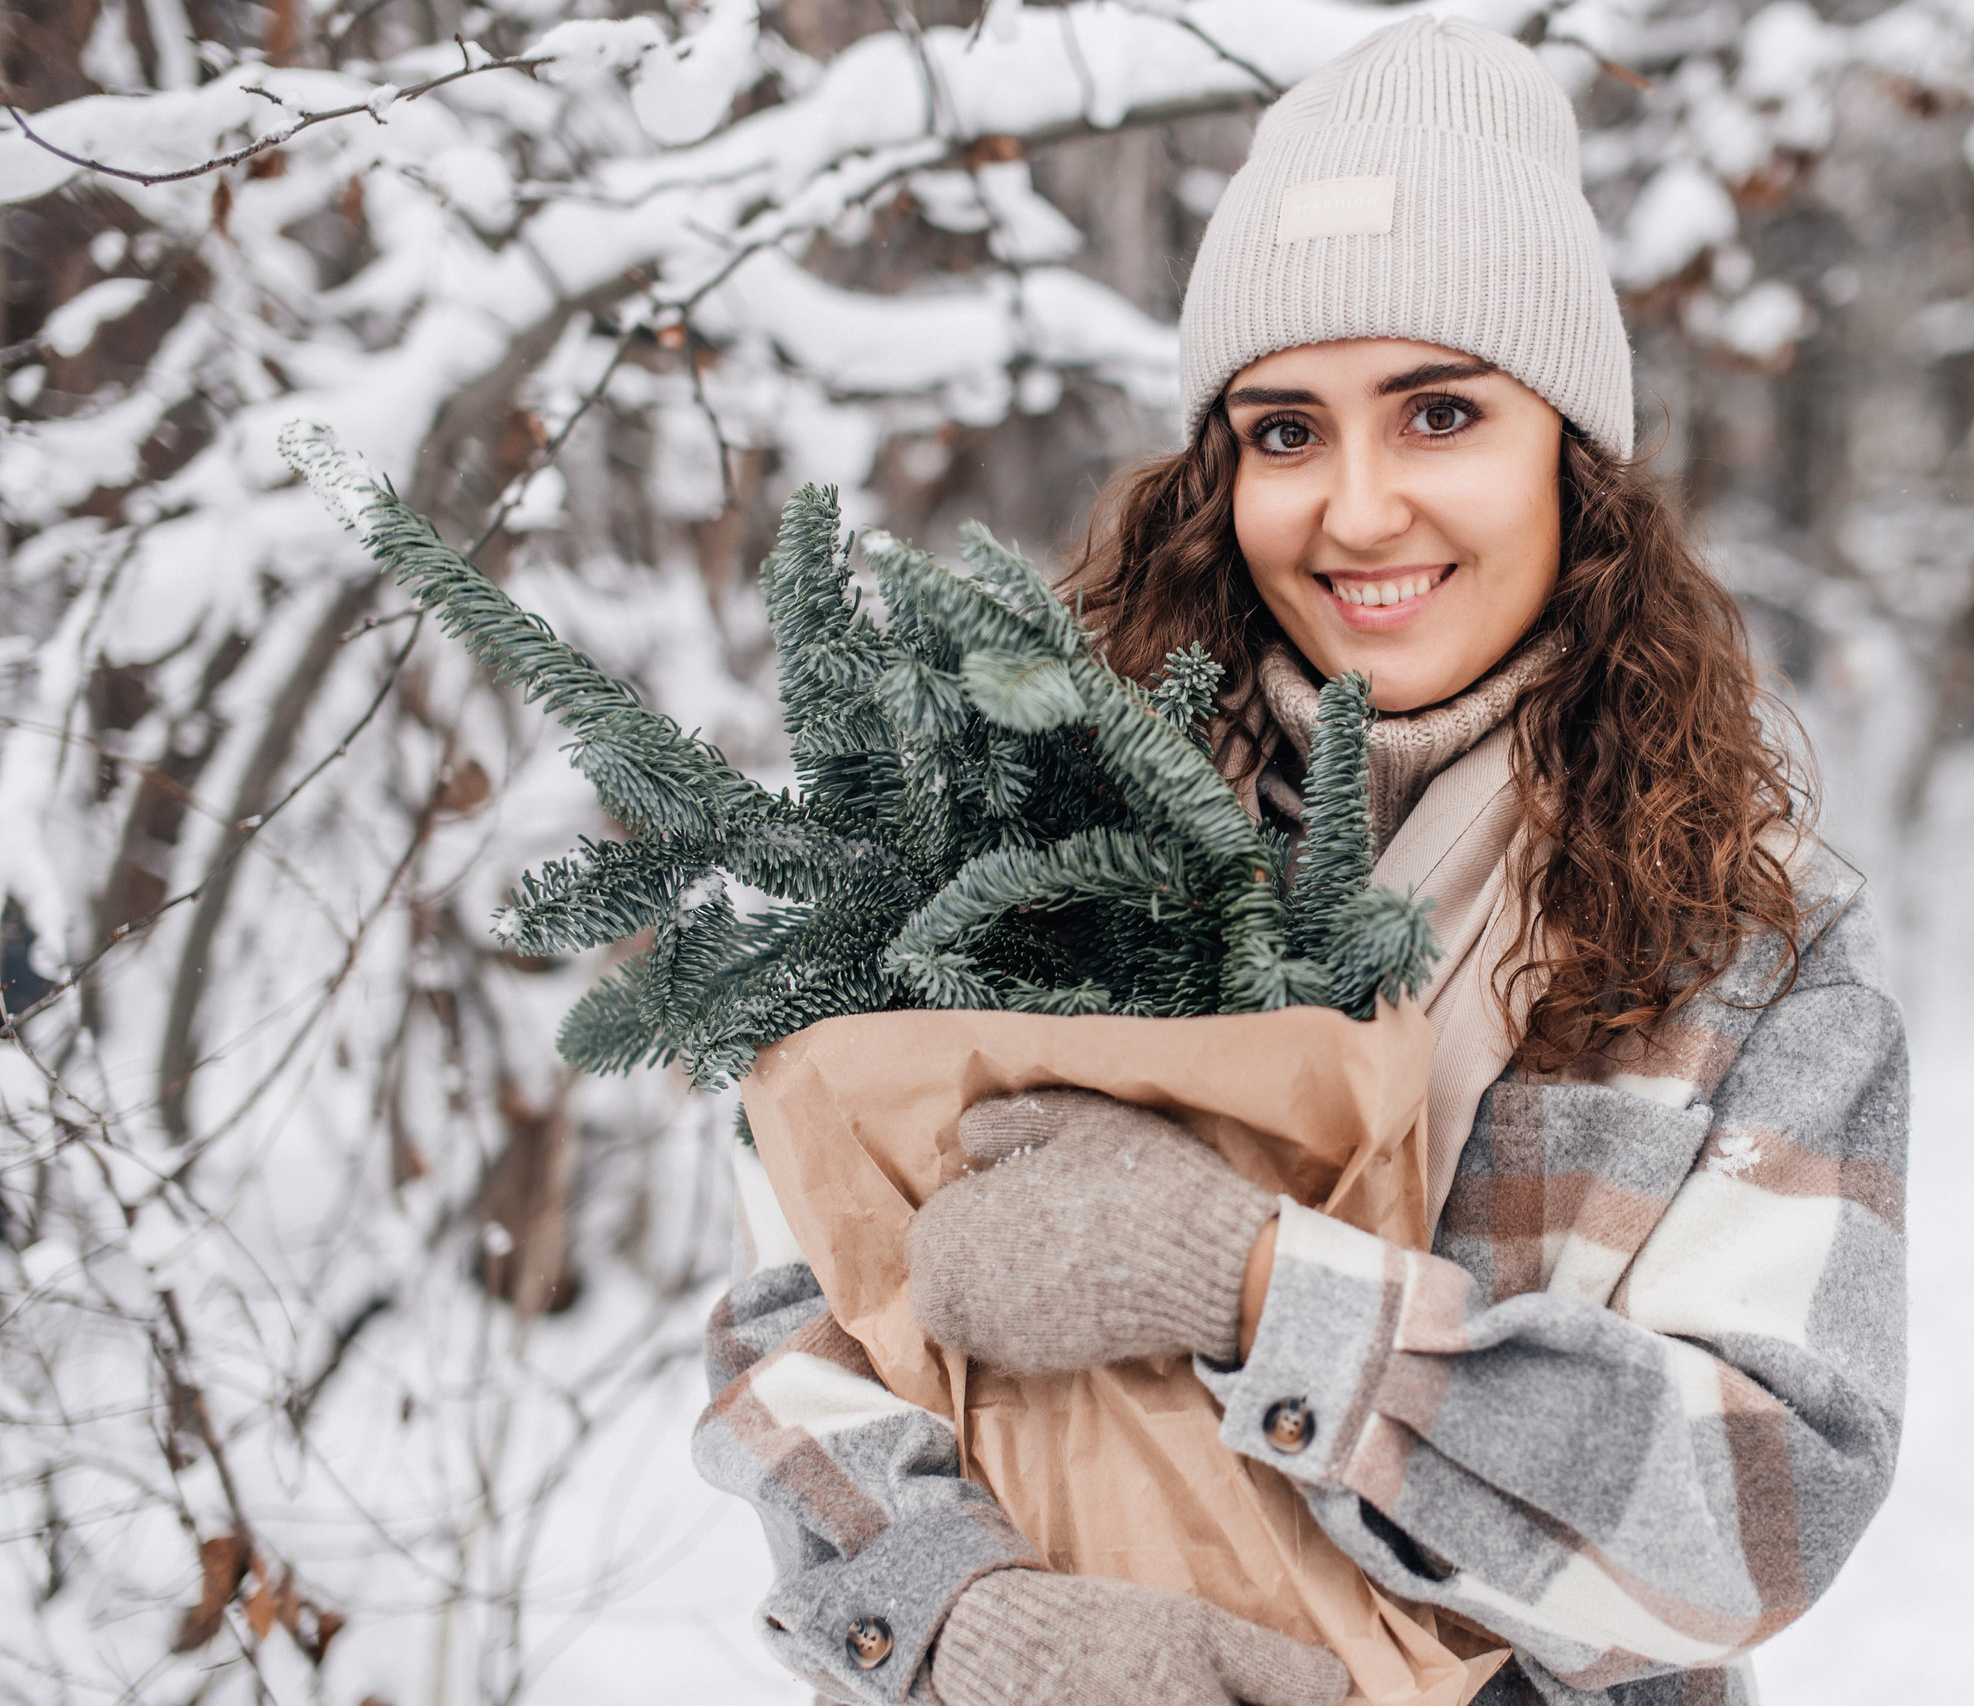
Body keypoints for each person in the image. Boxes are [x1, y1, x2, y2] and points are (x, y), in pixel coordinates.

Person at [694, 18, 1906, 1705]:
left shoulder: (1741, 942)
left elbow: (1769, 1503)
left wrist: (1257, 1282)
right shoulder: (1037, 820)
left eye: (1438, 413)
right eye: (1284, 431)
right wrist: (958, 1617)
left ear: (1573, 451)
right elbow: (798, 1317)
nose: (1355, 511)